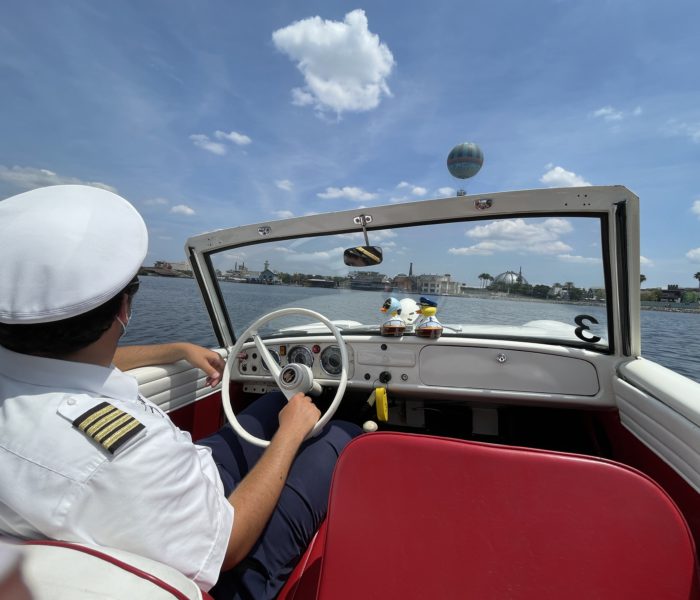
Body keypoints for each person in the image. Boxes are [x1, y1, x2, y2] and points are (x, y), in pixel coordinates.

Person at [0, 185, 361, 599]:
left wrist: (175, 348)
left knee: (280, 399)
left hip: (181, 480)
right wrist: (290, 435)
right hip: (223, 542)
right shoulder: (122, 455)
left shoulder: (20, 373)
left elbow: (87, 361)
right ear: (123, 312)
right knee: (338, 434)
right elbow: (229, 544)